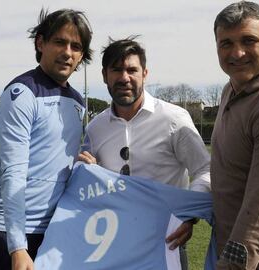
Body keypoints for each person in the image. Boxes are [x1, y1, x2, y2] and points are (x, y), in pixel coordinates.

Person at [78, 37, 210, 270]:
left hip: (166, 243)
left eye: (132, 70)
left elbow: (205, 169)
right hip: (114, 245)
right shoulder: (95, 128)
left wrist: (187, 215)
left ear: (145, 74)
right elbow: (87, 181)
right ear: (104, 75)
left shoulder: (174, 119)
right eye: (116, 70)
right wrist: (85, 169)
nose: (124, 78)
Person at [0, 8, 93, 270]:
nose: (67, 52)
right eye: (60, 42)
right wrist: (17, 247)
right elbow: (13, 172)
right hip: (9, 231)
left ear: (81, 56)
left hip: (54, 230)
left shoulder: (77, 102)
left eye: (76, 46)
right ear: (41, 43)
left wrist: (84, 166)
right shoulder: (21, 93)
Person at [211, 1, 259, 269]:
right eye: (226, 43)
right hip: (222, 242)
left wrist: (233, 263)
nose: (238, 52)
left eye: (249, 40)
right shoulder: (229, 90)